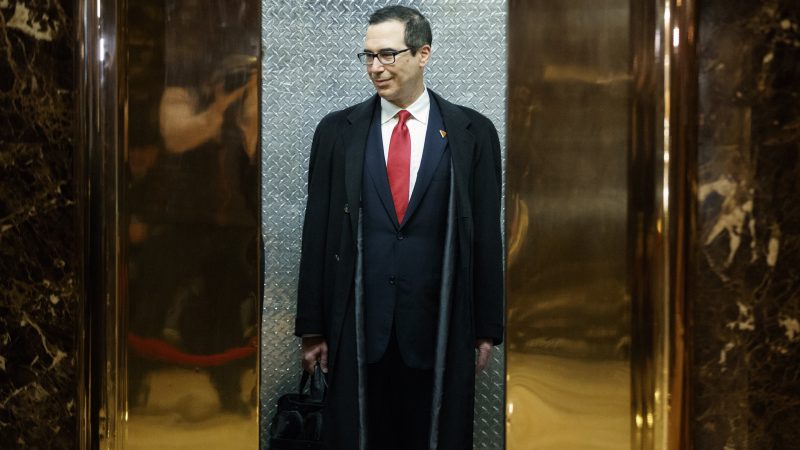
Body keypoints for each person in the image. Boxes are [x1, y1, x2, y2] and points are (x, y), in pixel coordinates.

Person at [295, 5, 503, 449]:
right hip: (356, 324)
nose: (375, 67)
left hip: (440, 324)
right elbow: (317, 233)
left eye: (387, 55)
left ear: (423, 53)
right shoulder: (337, 132)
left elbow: (486, 235)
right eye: (368, 56)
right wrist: (312, 327)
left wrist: (486, 325)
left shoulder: (473, 133)